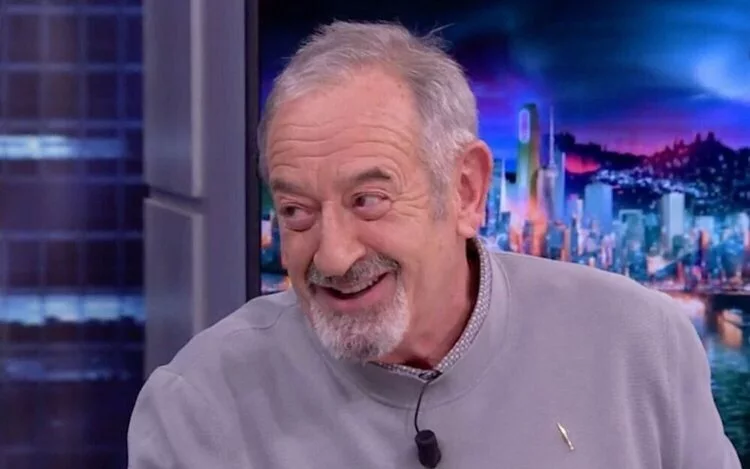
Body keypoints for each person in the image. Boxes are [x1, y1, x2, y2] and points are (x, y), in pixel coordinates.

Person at [127, 21, 742, 469]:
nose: (333, 256)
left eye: (368, 199)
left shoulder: (641, 344)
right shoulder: (199, 408)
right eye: (296, 212)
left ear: (467, 190)